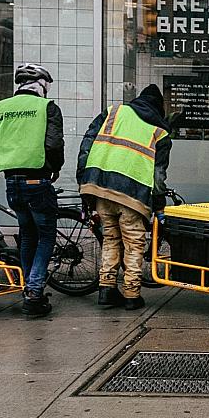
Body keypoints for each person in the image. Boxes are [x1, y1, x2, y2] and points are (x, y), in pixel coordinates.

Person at [77, 84, 172, 311]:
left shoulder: (113, 112)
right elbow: (158, 177)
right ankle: (132, 294)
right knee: (134, 243)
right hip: (132, 194)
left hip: (102, 188)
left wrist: (83, 179)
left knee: (111, 239)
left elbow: (86, 145)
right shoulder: (160, 131)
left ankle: (106, 289)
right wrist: (158, 204)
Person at [0, 63, 63, 318]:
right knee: (45, 235)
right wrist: (55, 168)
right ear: (41, 84)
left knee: (27, 234)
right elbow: (53, 144)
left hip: (12, 181)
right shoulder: (47, 107)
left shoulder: (1, 107)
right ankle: (33, 291)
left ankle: (30, 288)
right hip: (37, 179)